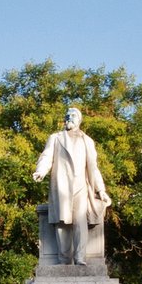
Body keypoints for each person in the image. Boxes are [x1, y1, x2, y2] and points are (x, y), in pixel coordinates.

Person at [32, 107, 112, 266]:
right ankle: (64, 260)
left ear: (79, 120)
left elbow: (93, 167)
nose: (69, 117)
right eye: (67, 115)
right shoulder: (55, 138)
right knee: (62, 223)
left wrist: (101, 190)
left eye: (73, 115)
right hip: (61, 186)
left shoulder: (87, 141)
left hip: (81, 186)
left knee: (79, 222)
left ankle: (80, 257)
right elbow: (47, 156)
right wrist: (41, 171)